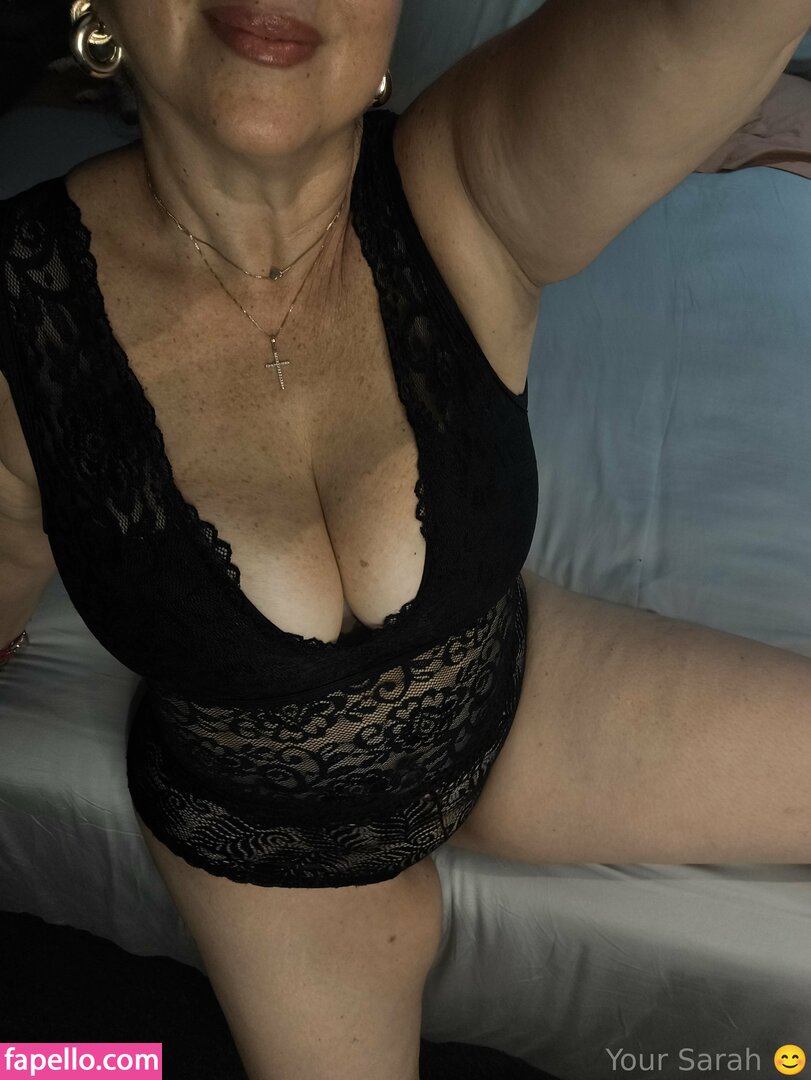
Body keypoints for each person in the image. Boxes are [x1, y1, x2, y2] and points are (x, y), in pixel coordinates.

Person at [2, 2, 811, 1077]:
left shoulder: (458, 185)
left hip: (510, 696)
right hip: (269, 846)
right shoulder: (19, 312)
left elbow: (701, 19)